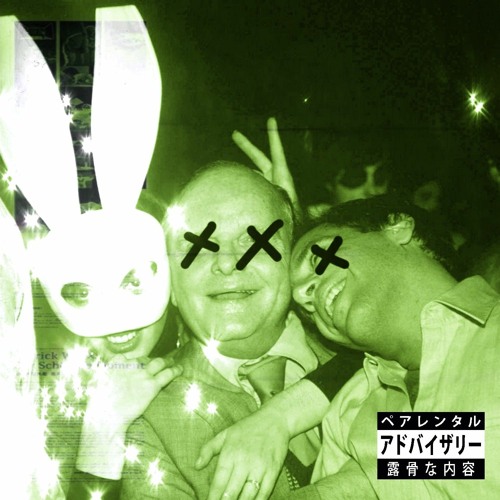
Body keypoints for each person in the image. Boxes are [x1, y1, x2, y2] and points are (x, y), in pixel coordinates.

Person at [196, 194, 500, 499]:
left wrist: (366, 474)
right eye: (305, 307)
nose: (304, 294)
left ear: (397, 228)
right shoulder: (348, 410)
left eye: (317, 260)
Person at [120, 161, 335, 498]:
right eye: (197, 247)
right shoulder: (148, 419)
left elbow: (426, 465)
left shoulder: (368, 351)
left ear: (293, 258)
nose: (227, 262)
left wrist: (283, 416)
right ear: (169, 283)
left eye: (256, 240)